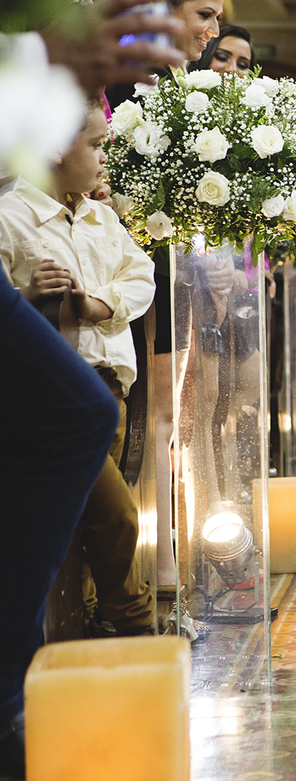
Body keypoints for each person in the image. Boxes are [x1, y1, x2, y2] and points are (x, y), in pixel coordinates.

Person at [1, 95, 157, 636]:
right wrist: (24, 293)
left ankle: (89, 617)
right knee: (117, 515)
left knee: (85, 523)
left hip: (112, 391)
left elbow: (141, 277)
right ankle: (136, 623)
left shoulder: (99, 216)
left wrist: (97, 304)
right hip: (57, 403)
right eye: (96, 146)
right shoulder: (10, 215)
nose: (104, 159)